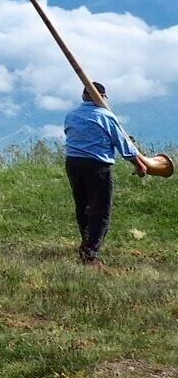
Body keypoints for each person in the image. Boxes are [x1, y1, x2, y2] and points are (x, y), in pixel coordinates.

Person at [62, 82, 149, 264]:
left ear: (83, 96)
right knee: (100, 210)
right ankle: (90, 255)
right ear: (102, 97)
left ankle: (86, 245)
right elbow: (123, 145)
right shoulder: (106, 116)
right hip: (97, 166)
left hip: (73, 163)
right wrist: (139, 164)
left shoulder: (71, 116)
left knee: (83, 206)